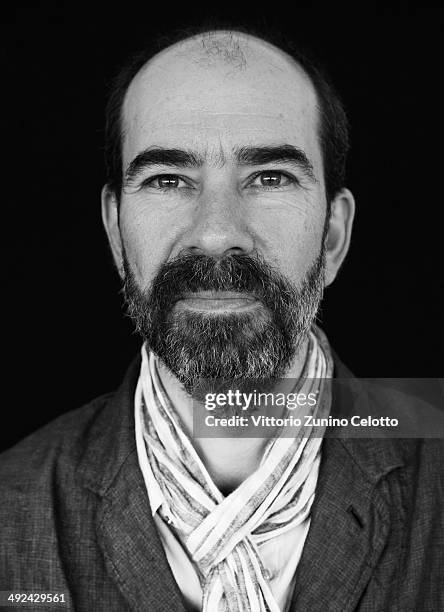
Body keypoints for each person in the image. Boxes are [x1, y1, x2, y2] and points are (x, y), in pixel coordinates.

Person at [0, 27, 442, 612]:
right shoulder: (11, 508)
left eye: (269, 177)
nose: (216, 233)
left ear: (333, 235)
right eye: (167, 180)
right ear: (114, 232)